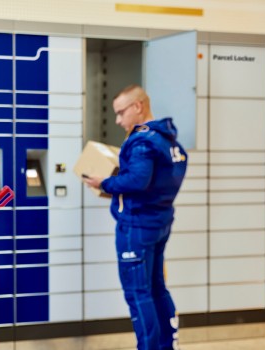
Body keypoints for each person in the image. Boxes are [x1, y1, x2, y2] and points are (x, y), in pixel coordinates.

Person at [83, 84, 187, 350]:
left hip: (137, 226)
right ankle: (165, 345)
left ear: (138, 107)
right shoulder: (166, 138)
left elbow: (138, 181)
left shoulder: (142, 140)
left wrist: (104, 183)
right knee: (156, 287)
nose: (118, 120)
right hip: (160, 221)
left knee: (138, 294)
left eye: (120, 113)